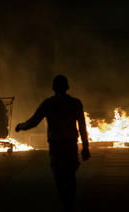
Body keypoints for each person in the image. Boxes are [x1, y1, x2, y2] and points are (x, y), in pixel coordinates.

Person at [15, 74, 90, 212]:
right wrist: (85, 147)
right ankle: (70, 205)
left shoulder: (48, 103)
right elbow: (82, 127)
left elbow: (33, 122)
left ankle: (65, 204)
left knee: (59, 177)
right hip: (70, 145)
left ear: (54, 88)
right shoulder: (75, 103)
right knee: (70, 175)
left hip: (56, 146)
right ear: (67, 87)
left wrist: (20, 127)